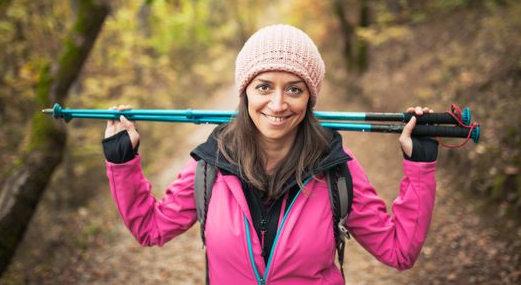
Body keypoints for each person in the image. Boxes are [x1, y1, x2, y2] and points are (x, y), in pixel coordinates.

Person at [102, 24, 438, 284]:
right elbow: (151, 228)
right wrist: (122, 163)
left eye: (294, 89)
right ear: (245, 91)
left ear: (310, 97)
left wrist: (419, 165)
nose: (278, 104)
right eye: (264, 86)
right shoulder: (211, 165)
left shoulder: (335, 168)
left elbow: (399, 251)